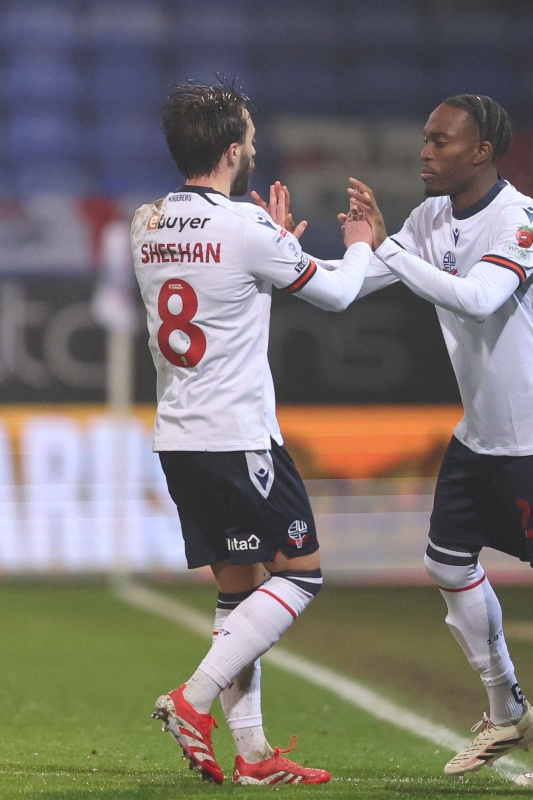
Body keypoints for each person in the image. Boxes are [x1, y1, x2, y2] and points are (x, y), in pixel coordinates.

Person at [344, 94, 533, 787]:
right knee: (445, 564)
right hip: (482, 435)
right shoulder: (428, 217)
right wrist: (275, 255)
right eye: (426, 138)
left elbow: (476, 298)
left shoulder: (520, 220)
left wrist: (384, 250)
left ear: (481, 153)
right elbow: (351, 287)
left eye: (440, 141)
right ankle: (508, 710)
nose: (424, 152)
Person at [130, 79, 373, 785]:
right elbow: (336, 292)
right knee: (302, 576)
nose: (257, 146)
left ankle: (256, 757)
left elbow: (216, 292)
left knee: (239, 587)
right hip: (239, 437)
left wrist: (269, 252)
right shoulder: (244, 226)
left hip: (179, 436)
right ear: (234, 150)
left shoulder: (145, 221)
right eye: (252, 138)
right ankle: (192, 698)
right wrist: (358, 244)